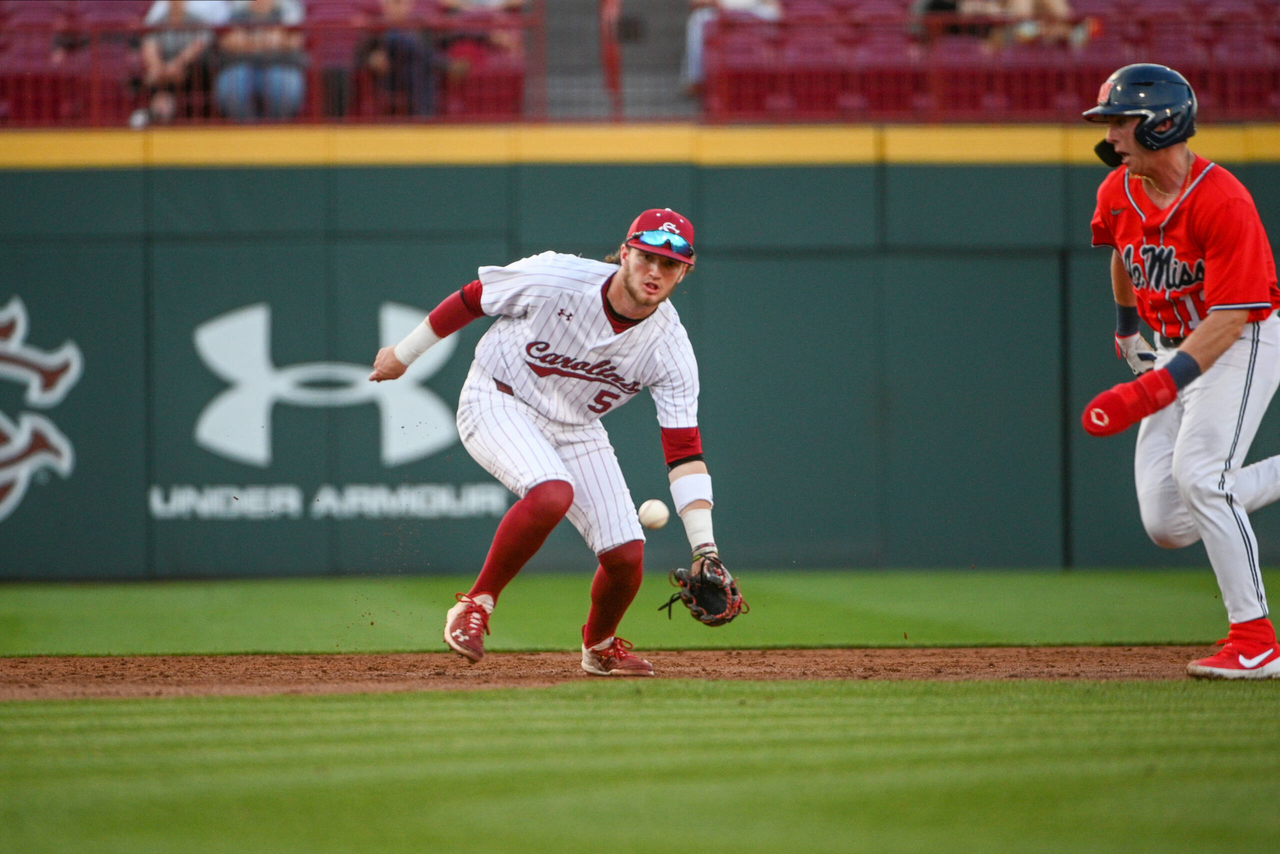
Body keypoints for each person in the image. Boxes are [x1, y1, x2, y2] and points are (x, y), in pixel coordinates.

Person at [368, 209, 733, 677]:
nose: (655, 271)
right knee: (551, 493)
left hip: (577, 426)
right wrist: (403, 355)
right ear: (625, 253)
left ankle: (599, 647)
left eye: (670, 264)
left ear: (685, 271)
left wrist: (706, 549)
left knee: (626, 555)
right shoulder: (557, 277)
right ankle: (474, 604)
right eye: (647, 257)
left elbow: (684, 452)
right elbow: (475, 298)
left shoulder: (671, 348)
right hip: (499, 396)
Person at [1081, 64, 1280, 679]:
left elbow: (1230, 317)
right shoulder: (1117, 190)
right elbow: (1123, 253)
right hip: (1174, 344)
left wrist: (1155, 388)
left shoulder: (1224, 200)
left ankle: (1256, 640)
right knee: (1167, 523)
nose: (1110, 136)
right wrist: (1127, 329)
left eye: (1121, 122)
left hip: (1242, 338)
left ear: (1163, 124)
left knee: (1201, 476)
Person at [133, 0, 225, 126]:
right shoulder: (160, 21)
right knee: (155, 77)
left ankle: (158, 115)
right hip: (166, 70)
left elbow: (199, 45)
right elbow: (149, 44)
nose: (176, 3)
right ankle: (160, 114)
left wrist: (177, 64)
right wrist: (157, 68)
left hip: (193, 70)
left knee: (182, 76)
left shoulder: (195, 21)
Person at [214, 0, 307, 121]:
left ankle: (275, 127)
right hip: (240, 65)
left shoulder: (288, 9)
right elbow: (227, 42)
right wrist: (269, 41)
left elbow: (294, 41)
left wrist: (247, 42)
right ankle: (246, 128)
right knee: (232, 85)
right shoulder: (236, 10)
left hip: (281, 64)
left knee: (285, 85)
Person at [681, 0, 781, 96]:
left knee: (772, 15)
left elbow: (774, 6)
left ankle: (775, 76)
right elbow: (696, 2)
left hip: (754, 10)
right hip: (720, 10)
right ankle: (697, 79)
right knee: (698, 18)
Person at [355, 0, 435, 116]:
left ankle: (424, 118)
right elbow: (359, 57)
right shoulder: (374, 28)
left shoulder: (420, 27)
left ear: (410, 5)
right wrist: (372, 59)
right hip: (386, 77)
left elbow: (429, 53)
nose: (397, 8)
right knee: (396, 39)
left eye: (401, 2)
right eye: (393, 2)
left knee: (418, 67)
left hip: (414, 75)